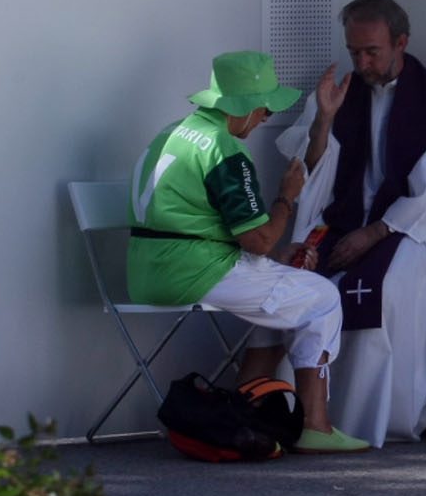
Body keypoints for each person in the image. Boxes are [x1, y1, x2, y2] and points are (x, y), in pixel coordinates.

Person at [274, 0, 426, 447]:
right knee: (302, 282)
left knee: (391, 287)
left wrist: (374, 233)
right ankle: (306, 417)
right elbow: (310, 170)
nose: (362, 61)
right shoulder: (341, 95)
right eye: (354, 51)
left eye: (372, 51)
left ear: (401, 42)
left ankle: (380, 419)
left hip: (412, 226)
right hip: (342, 220)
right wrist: (324, 120)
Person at [127, 50, 367, 453]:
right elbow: (258, 241)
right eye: (262, 107)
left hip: (147, 273)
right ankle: (316, 426)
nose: (266, 117)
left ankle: (244, 408)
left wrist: (271, 257)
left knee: (279, 299)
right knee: (322, 297)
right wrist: (285, 199)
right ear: (239, 107)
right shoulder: (225, 151)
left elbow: (212, 228)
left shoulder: (172, 132)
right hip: (194, 272)